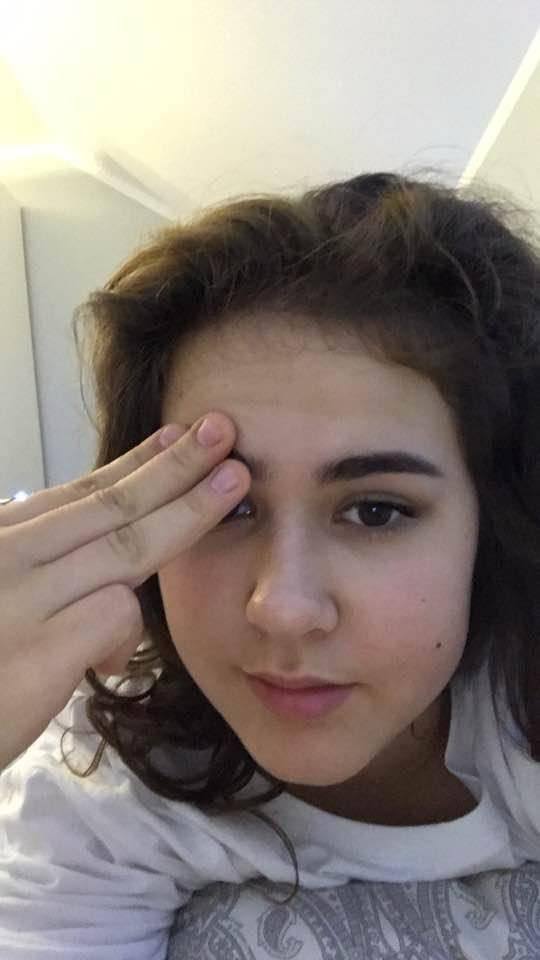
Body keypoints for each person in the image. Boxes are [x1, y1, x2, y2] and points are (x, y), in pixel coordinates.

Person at [1, 171, 540, 959]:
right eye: (226, 509)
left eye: (376, 511)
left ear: (493, 526)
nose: (282, 607)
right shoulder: (103, 773)